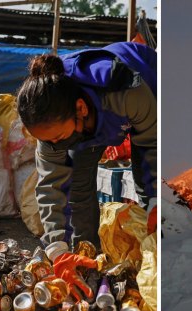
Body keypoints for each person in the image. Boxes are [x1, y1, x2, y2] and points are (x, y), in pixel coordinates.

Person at [17, 42, 157, 248]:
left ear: (80, 108)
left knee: (147, 184)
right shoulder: (49, 123)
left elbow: (151, 145)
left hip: (150, 87)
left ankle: (157, 247)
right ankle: (85, 255)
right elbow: (52, 185)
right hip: (86, 122)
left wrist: (155, 203)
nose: (55, 144)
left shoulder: (126, 90)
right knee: (77, 188)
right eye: (48, 141)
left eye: (59, 137)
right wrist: (57, 245)